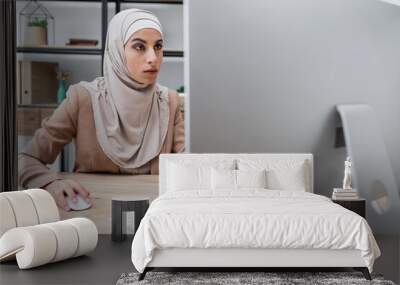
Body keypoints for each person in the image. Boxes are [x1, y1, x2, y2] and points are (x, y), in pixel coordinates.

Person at [18, 8, 185, 211]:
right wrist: (50, 183)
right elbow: (26, 159)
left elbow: (194, 166)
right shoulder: (83, 98)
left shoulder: (170, 101)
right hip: (89, 210)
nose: (153, 57)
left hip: (153, 213)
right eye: (140, 46)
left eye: (158, 46)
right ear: (116, 49)